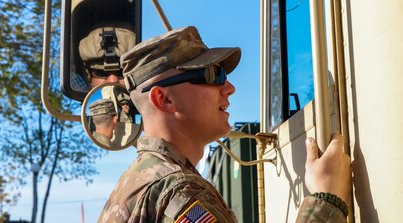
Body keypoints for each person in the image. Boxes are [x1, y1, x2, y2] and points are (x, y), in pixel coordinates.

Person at [98, 26, 351, 222]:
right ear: (163, 98)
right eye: (212, 75)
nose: (229, 88)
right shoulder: (178, 192)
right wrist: (325, 200)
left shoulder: (136, 183)